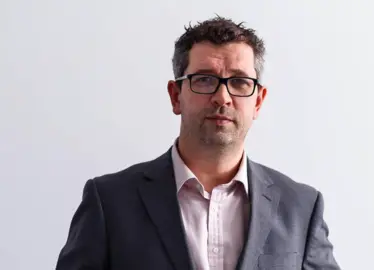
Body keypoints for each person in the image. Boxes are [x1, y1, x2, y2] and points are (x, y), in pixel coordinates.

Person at [56, 16, 340, 270]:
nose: (223, 97)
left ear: (258, 101)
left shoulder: (301, 209)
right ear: (175, 95)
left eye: (240, 82)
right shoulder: (110, 202)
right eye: (204, 80)